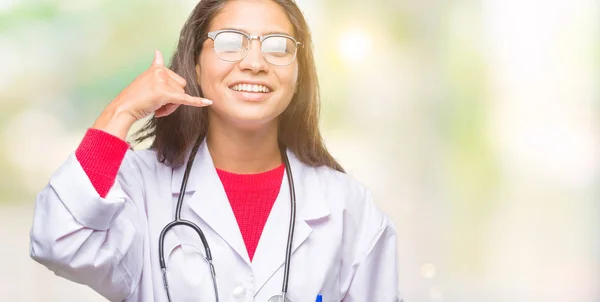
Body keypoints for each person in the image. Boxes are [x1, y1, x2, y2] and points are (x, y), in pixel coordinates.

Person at [29, 0, 400, 301]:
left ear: (299, 71)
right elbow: (59, 241)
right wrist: (123, 110)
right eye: (229, 42)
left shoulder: (346, 205)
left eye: (277, 46)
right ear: (195, 62)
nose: (255, 63)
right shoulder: (139, 187)